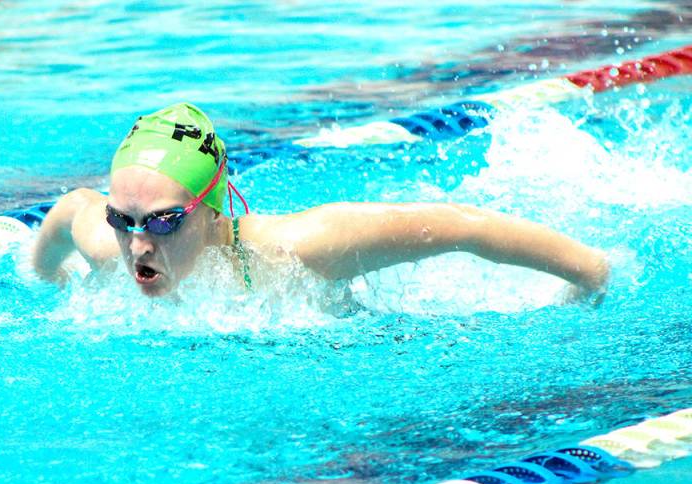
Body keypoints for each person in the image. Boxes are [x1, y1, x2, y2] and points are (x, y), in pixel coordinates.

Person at [32, 103, 609, 299]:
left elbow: (462, 227)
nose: (138, 244)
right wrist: (45, 279)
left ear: (213, 209)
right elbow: (70, 210)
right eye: (122, 219)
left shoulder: (296, 251)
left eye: (162, 221)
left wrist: (589, 273)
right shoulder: (107, 248)